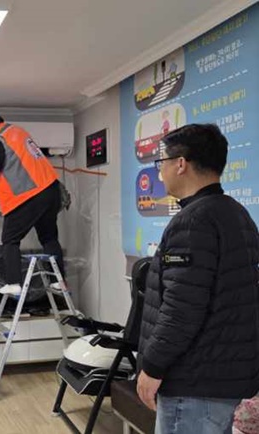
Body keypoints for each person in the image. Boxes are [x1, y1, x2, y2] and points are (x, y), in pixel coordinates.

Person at [136, 124, 259, 434]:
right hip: (221, 375)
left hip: (193, 382)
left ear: (181, 163)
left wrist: (152, 366)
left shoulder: (193, 222)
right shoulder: (236, 214)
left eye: (161, 162)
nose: (159, 171)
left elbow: (181, 310)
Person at [0, 106, 64, 295]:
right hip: (51, 190)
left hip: (29, 195)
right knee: (48, 237)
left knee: (10, 240)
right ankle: (59, 281)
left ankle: (14, 283)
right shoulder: (17, 132)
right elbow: (14, 163)